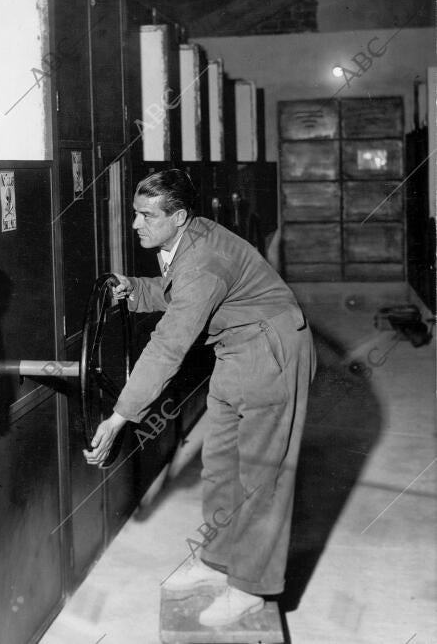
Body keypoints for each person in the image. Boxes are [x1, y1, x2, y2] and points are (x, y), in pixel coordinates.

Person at [84, 169, 316, 628]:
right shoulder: (184, 242)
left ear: (180, 217)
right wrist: (135, 290)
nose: (135, 224)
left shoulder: (205, 260)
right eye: (134, 213)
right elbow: (181, 296)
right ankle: (216, 562)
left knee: (259, 478)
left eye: (147, 216)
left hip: (271, 355)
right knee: (221, 463)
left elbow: (170, 343)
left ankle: (250, 589)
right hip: (235, 351)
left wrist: (120, 416)